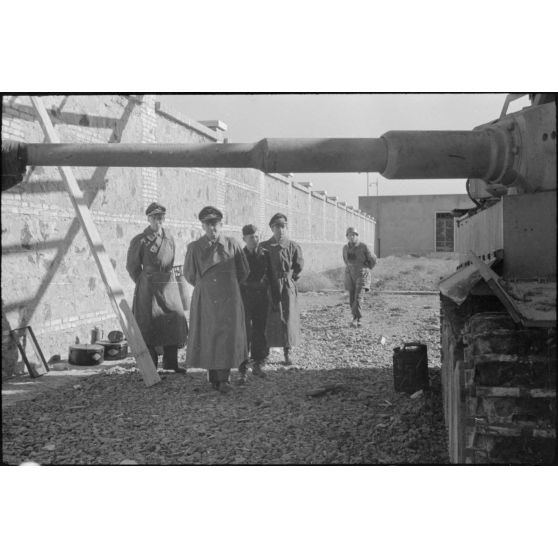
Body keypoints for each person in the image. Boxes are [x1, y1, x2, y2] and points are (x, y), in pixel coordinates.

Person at [183, 206, 249, 394]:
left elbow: (243, 271)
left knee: (227, 337)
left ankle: (224, 379)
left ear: (221, 225)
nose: (213, 229)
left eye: (216, 225)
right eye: (208, 225)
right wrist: (206, 287)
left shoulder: (233, 244)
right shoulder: (194, 248)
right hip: (207, 299)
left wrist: (229, 285)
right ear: (202, 226)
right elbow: (189, 274)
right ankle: (214, 378)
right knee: (210, 336)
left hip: (229, 298)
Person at [126, 202, 188, 373]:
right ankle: (150, 365)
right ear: (148, 219)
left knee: (174, 320)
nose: (158, 220)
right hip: (148, 288)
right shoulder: (140, 240)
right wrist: (144, 282)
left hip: (168, 285)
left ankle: (171, 363)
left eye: (160, 217)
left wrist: (163, 278)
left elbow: (171, 260)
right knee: (149, 323)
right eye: (154, 217)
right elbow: (132, 266)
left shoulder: (169, 237)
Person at [260, 213, 303, 366]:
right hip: (269, 287)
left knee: (288, 318)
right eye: (276, 226)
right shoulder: (264, 247)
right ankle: (264, 354)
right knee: (269, 318)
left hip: (286, 287)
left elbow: (298, 267)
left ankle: (287, 352)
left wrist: (289, 280)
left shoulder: (293, 246)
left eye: (283, 226)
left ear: (286, 227)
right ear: (272, 228)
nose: (280, 229)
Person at [238, 224, 269, 383]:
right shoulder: (239, 255)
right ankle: (242, 368)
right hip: (245, 298)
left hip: (262, 298)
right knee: (245, 332)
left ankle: (258, 364)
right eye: (251, 237)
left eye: (257, 236)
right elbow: (236, 279)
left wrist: (276, 299)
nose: (255, 240)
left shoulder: (265, 254)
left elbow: (271, 277)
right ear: (244, 238)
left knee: (260, 331)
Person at [342, 226, 377, 327]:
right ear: (347, 236)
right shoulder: (345, 248)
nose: (352, 237)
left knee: (358, 297)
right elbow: (345, 260)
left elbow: (373, 259)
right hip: (350, 275)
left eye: (354, 235)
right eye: (350, 235)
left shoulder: (363, 246)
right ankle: (355, 317)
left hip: (362, 274)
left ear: (357, 236)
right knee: (352, 298)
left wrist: (367, 267)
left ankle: (357, 319)